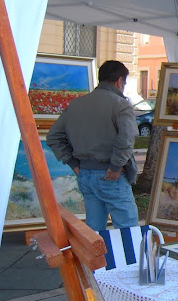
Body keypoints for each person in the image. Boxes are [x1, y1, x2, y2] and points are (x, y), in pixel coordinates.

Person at [47, 60, 139, 231]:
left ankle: (95, 251)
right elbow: (127, 139)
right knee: (128, 231)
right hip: (110, 174)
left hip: (85, 173)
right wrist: (116, 166)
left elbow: (53, 137)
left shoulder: (76, 104)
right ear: (119, 81)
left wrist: (73, 163)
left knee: (94, 231)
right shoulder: (120, 104)